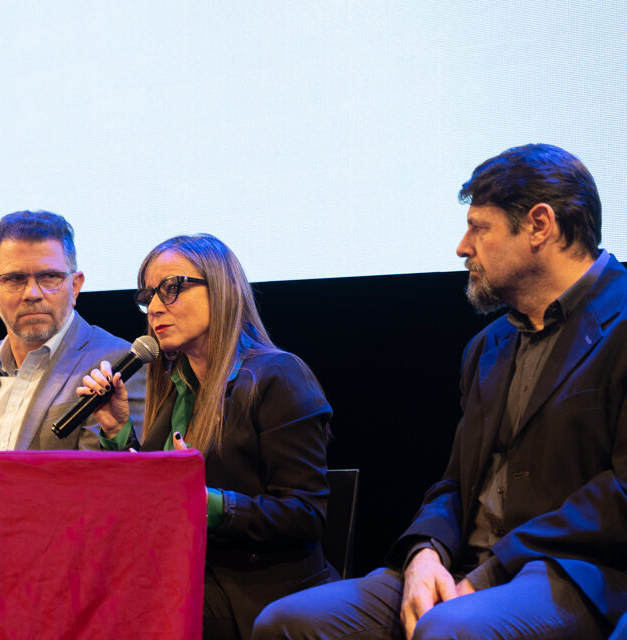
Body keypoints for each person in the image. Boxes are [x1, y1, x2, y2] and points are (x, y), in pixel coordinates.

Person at [254, 144, 627, 640]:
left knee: (449, 630)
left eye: (479, 227)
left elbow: (620, 493)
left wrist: (493, 571)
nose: (462, 246)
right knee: (286, 622)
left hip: (574, 571)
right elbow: (455, 484)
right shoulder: (486, 347)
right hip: (463, 565)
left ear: (540, 225)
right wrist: (425, 550)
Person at [78, 233, 335, 640]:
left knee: (125, 611)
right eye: (149, 296)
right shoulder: (175, 386)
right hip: (186, 573)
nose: (156, 307)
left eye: (172, 288)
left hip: (254, 590)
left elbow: (306, 514)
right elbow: (150, 495)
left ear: (223, 289)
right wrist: (117, 430)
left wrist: (206, 503)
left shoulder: (278, 375)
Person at [0, 210, 144, 450]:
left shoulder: (117, 363)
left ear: (75, 287)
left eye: (50, 277)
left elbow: (101, 479)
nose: (31, 293)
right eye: (15, 279)